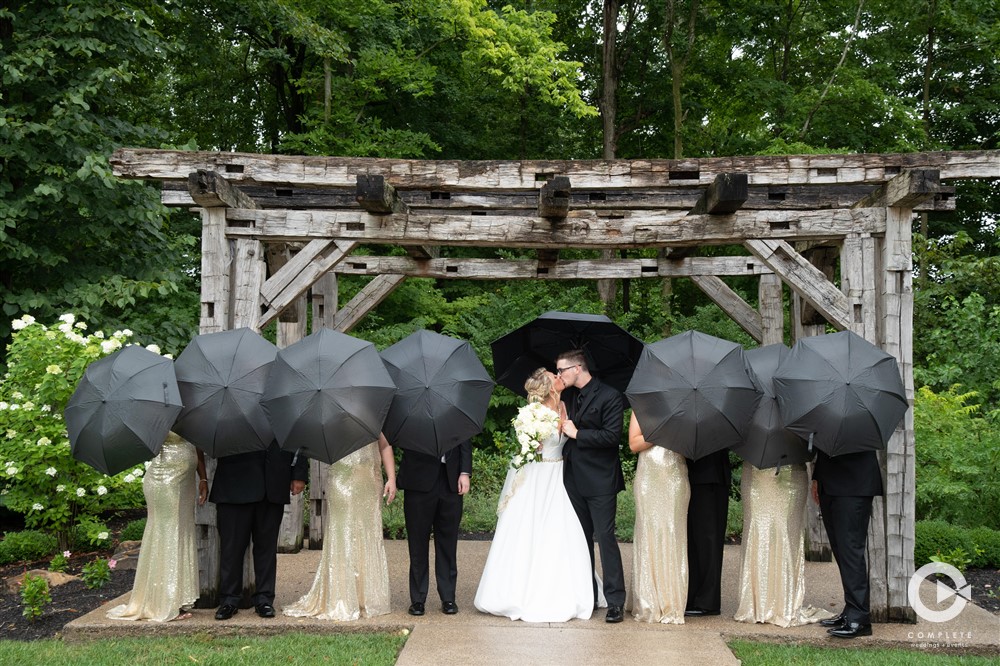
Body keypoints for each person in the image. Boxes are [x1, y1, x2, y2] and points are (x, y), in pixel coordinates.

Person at [475, 368, 595, 622]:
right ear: (548, 386)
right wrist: (532, 442)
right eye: (555, 376)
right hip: (537, 476)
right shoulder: (532, 413)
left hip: (559, 475)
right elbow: (525, 447)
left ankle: (566, 588)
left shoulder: (566, 406)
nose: (560, 377)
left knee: (561, 530)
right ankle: (520, 591)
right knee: (530, 529)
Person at [283, 434, 396, 621]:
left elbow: (385, 446)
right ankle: (342, 597)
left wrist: (391, 478)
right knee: (342, 536)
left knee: (368, 535)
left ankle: (366, 597)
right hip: (342, 483)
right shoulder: (333, 415)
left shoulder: (374, 415)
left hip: (368, 484)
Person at [556, 349, 627, 623]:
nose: (560, 374)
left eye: (562, 370)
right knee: (579, 538)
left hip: (600, 480)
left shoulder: (610, 396)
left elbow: (611, 437)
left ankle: (615, 601)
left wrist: (578, 433)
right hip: (572, 477)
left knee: (605, 538)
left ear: (577, 368)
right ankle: (588, 594)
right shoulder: (568, 397)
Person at [107, 432, 207, 622]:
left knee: (181, 533)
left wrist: (203, 478)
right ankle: (163, 602)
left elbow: (197, 445)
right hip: (164, 480)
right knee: (167, 534)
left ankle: (177, 598)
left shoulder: (190, 410)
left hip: (185, 482)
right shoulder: (157, 413)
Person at [210, 440, 308, 620]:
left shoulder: (285, 410)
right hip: (234, 482)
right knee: (231, 547)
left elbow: (298, 433)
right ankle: (229, 599)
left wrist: (299, 473)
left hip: (273, 482)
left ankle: (264, 598)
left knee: (267, 547)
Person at [734, 461, 834, 627]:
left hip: (791, 473)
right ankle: (756, 604)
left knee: (787, 536)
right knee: (758, 531)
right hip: (757, 474)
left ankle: (783, 603)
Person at [812, 449, 882, 638]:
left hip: (854, 485)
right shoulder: (826, 419)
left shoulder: (862, 421)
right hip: (829, 484)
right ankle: (850, 610)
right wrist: (817, 478)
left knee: (851, 550)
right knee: (840, 550)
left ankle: (860, 619)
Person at [397, 437, 471, 616]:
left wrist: (464, 472)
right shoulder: (410, 409)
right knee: (417, 543)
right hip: (418, 482)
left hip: (451, 480)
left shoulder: (455, 409)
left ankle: (448, 597)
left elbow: (465, 438)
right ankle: (417, 599)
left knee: (448, 541)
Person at [628, 413, 689, 624]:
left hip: (674, 478)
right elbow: (634, 444)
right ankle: (648, 600)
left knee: (673, 535)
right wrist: (660, 432)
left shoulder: (685, 410)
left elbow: (691, 445)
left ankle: (671, 601)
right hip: (648, 479)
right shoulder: (641, 407)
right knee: (648, 533)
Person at [684, 448, 730, 617]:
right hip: (691, 477)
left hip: (710, 477)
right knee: (693, 542)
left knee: (708, 541)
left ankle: (708, 601)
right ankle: (692, 596)